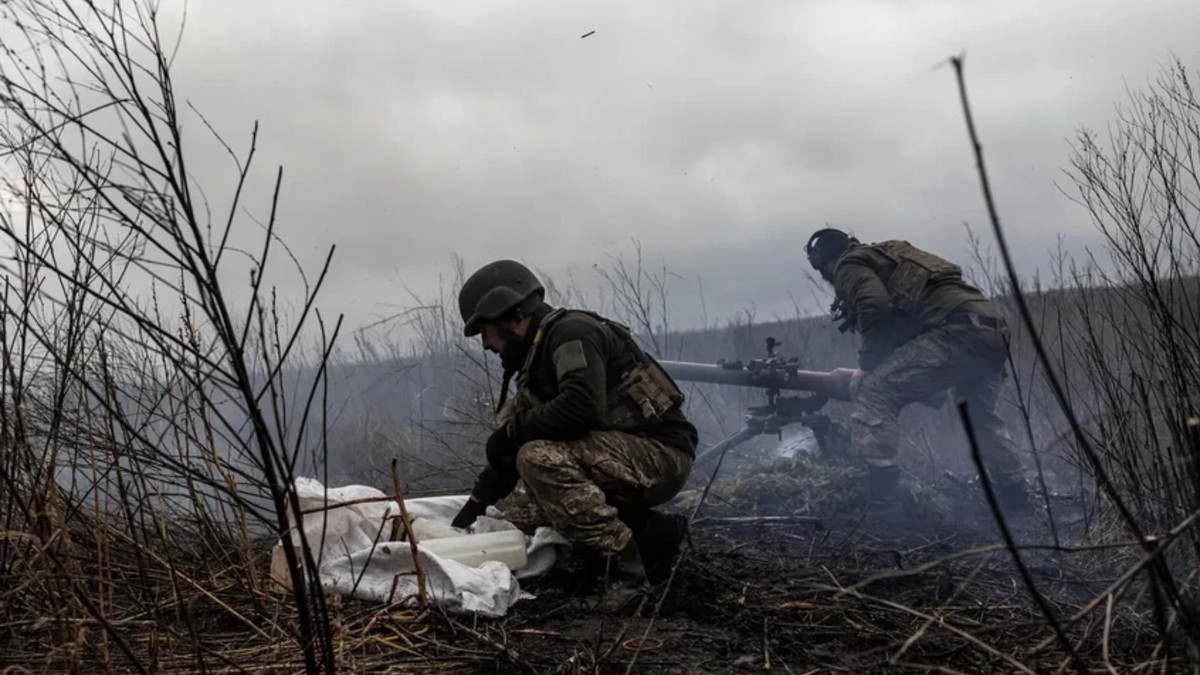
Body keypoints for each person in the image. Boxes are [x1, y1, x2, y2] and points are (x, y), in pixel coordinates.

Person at [450, 259, 697, 607]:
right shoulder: (537, 357)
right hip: (621, 456)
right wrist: (471, 511)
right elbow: (507, 455)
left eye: (484, 332)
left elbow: (581, 407)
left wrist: (514, 433)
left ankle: (627, 577)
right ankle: (651, 534)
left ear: (508, 315)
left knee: (537, 460)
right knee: (520, 517)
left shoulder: (572, 333)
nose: (486, 345)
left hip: (660, 453)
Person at [804, 228, 1032, 516]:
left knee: (874, 391)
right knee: (980, 418)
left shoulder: (847, 265)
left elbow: (874, 304)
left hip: (957, 332)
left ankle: (884, 505)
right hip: (992, 333)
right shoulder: (889, 253)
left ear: (824, 261)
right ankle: (1018, 505)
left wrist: (867, 365)